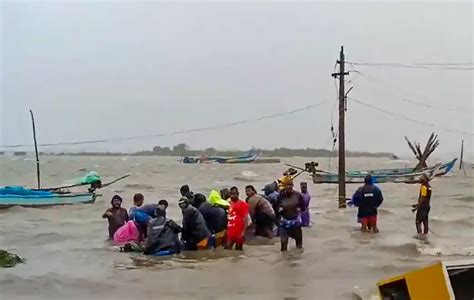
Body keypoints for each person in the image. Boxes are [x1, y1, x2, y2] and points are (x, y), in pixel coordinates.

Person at [276, 181, 306, 251]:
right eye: (287, 185)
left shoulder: (298, 195)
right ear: (284, 186)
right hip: (284, 222)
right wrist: (278, 221)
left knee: (299, 246)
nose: (289, 187)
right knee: (283, 246)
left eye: (290, 185)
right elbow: (276, 210)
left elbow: (303, 208)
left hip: (295, 222)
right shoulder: (280, 196)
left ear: (292, 186)